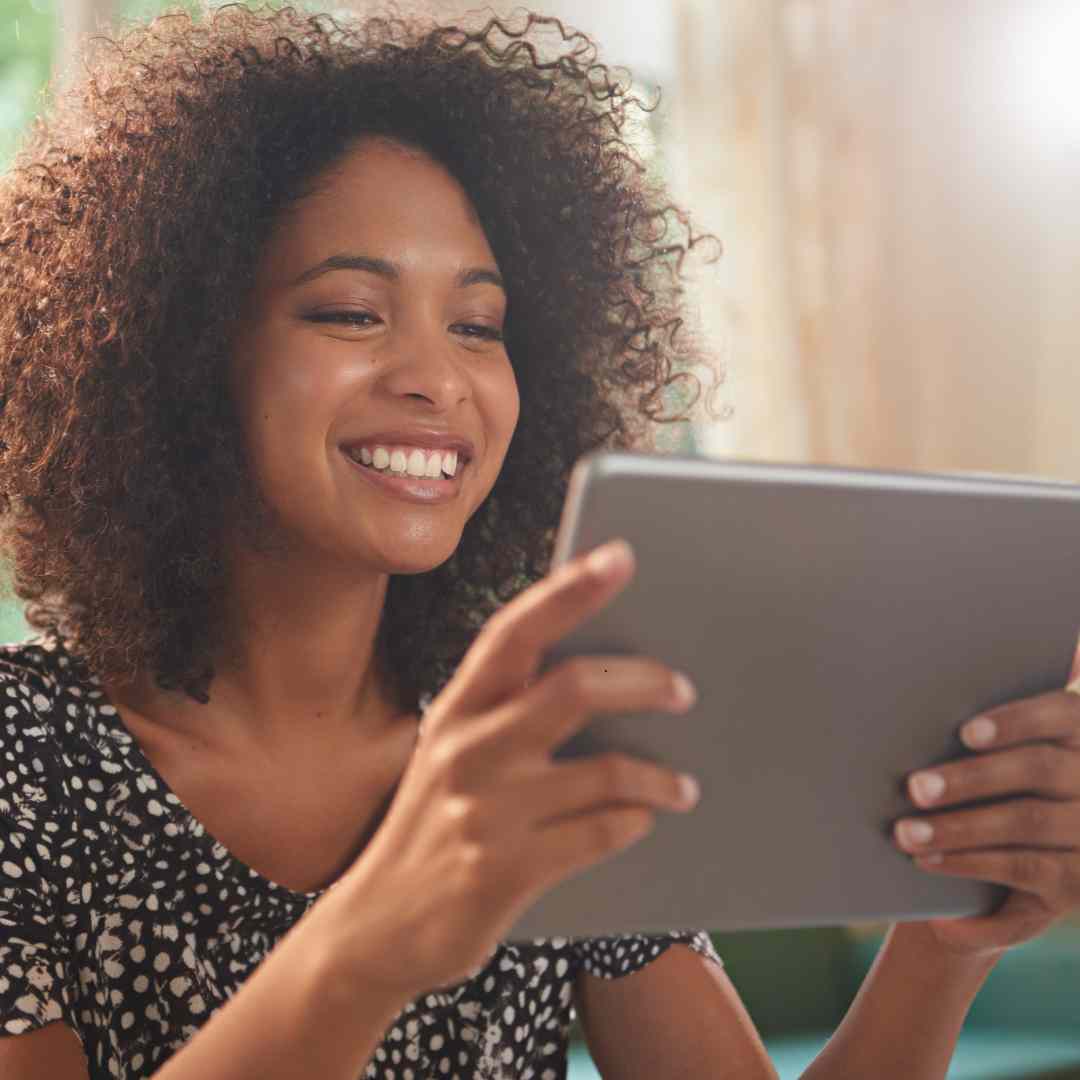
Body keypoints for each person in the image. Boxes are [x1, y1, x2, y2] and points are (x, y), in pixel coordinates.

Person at [0, 5, 1076, 1079]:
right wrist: (374, 940)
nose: (438, 378)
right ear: (182, 354)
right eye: (349, 313)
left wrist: (943, 943)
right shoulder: (24, 757)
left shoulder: (534, 745)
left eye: (478, 326)